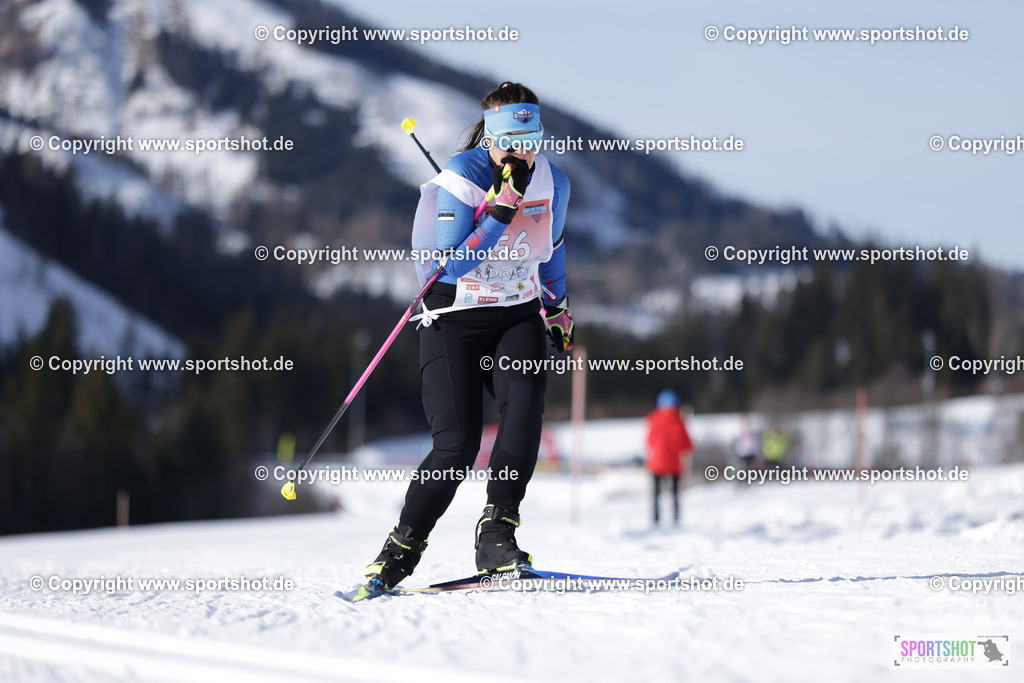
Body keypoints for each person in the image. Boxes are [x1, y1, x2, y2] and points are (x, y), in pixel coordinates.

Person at [363, 82, 573, 589]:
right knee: (456, 446)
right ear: (489, 136)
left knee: (522, 415)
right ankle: (403, 545)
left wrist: (557, 307)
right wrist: (500, 211)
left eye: (531, 141)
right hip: (455, 321)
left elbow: (555, 245)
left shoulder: (554, 182)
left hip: (517, 315)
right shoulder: (458, 182)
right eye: (510, 143)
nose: (521, 154)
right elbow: (446, 269)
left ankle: (497, 530)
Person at [645, 390, 693, 526]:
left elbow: (649, 442)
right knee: (675, 494)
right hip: (674, 463)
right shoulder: (679, 421)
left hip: (656, 463)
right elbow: (687, 444)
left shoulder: (653, 420)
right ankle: (676, 519)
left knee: (656, 493)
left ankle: (655, 519)